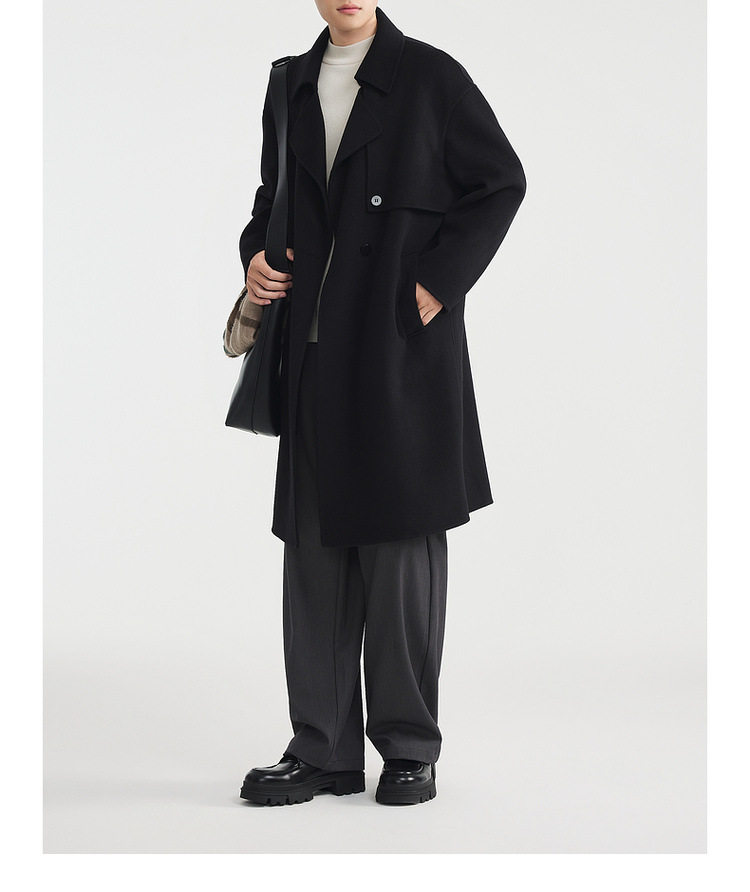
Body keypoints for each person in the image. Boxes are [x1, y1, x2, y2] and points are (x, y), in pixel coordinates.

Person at [238, 1, 525, 806]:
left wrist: (436, 283)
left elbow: (500, 181)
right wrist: (254, 254)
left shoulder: (430, 77)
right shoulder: (290, 83)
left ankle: (408, 747)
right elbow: (271, 196)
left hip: (398, 346)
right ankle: (322, 748)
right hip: (312, 347)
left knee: (400, 551)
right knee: (314, 553)